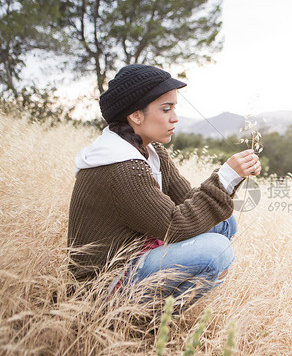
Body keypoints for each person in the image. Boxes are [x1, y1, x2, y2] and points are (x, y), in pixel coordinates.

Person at [67, 64, 261, 305]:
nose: (175, 118)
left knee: (223, 224)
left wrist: (233, 175)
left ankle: (155, 310)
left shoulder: (150, 150)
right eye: (166, 109)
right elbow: (176, 226)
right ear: (136, 115)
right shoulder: (121, 165)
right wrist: (226, 177)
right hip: (105, 284)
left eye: (174, 108)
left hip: (138, 254)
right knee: (216, 251)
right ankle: (139, 322)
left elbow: (188, 199)